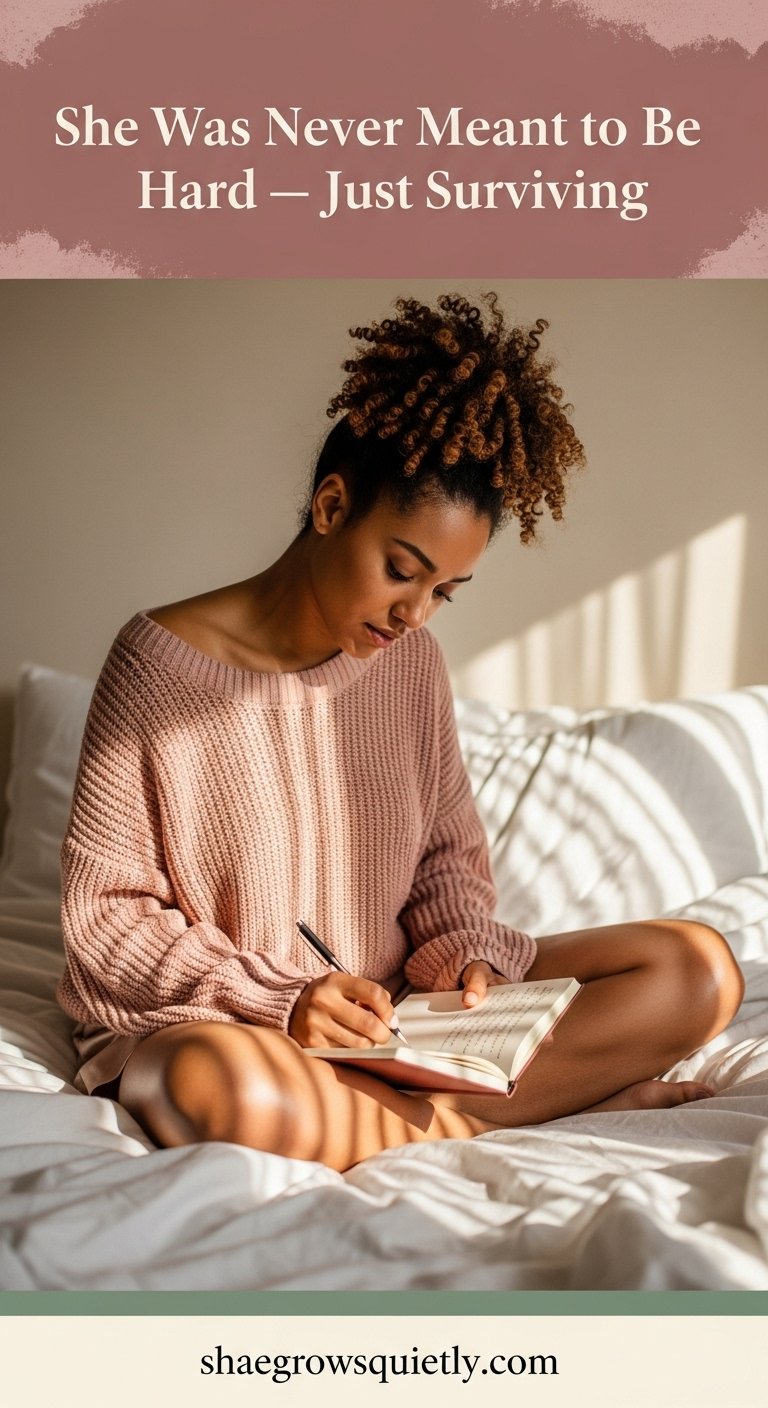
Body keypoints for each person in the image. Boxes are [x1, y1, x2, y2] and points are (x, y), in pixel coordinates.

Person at [58, 292, 744, 1173]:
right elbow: (106, 920)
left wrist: (465, 962)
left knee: (697, 968)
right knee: (207, 1084)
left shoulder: (410, 664)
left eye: (444, 592)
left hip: (394, 1018)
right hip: (235, 1023)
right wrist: (281, 998)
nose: (415, 613)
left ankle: (421, 1112)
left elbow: (446, 863)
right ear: (333, 505)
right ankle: (527, 1112)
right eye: (402, 571)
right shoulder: (157, 664)